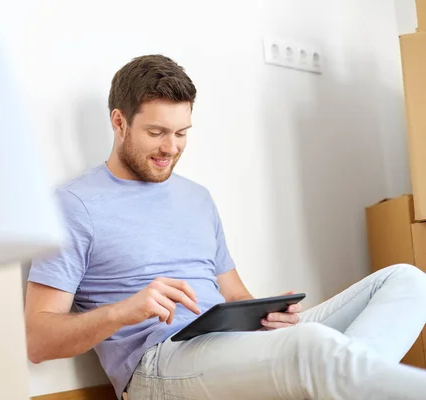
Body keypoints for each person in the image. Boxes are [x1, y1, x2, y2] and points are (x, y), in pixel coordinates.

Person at [25, 54, 426, 400]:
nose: (171, 148)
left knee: (407, 281)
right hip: (160, 364)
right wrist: (123, 312)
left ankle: (338, 384)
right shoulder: (73, 206)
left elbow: (233, 294)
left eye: (182, 133)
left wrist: (269, 318)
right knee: (313, 346)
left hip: (233, 346)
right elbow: (38, 339)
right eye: (156, 133)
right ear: (119, 122)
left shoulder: (197, 197)